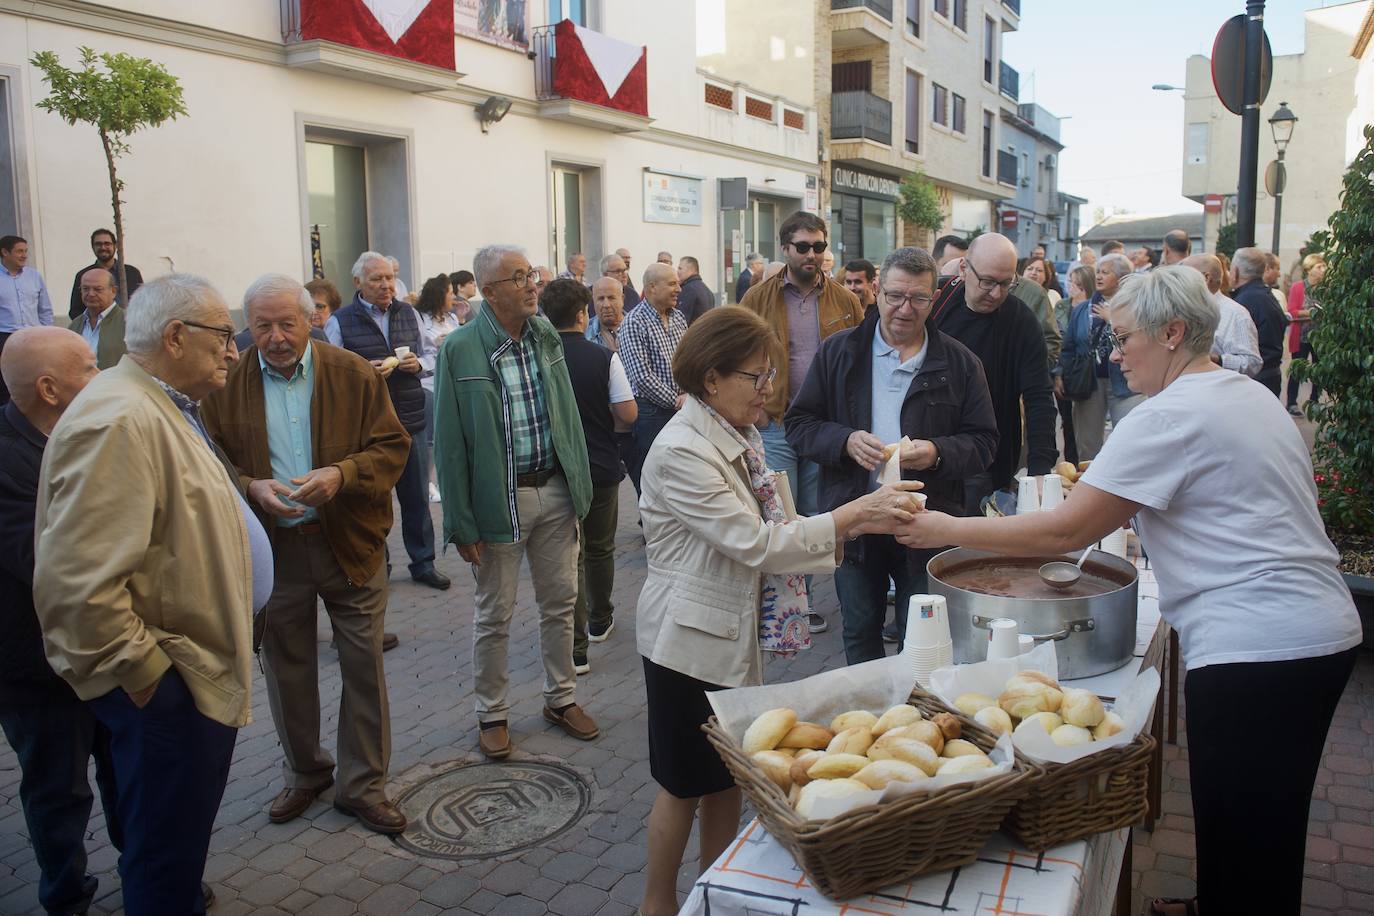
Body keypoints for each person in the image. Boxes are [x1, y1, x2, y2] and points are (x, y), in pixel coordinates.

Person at [896, 265, 1361, 916]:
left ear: (1173, 333)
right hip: (1318, 629)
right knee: (1260, 819)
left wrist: (945, 529)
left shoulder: (1167, 415)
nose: (1111, 354)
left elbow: (1065, 531)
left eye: (1122, 338)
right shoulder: (1246, 392)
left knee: (1248, 824)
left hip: (1257, 647)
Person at [636, 305, 922, 916]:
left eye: (770, 376)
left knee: (728, 778)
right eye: (757, 377)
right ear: (712, 379)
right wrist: (853, 517)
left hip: (730, 635)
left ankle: (715, 894)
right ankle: (656, 905)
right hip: (688, 643)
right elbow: (757, 543)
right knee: (682, 784)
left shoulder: (739, 436)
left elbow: (783, 524)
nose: (769, 389)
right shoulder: (682, 450)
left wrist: (856, 517)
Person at [34, 274, 273, 916]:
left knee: (175, 842)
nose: (233, 350)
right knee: (164, 855)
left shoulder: (154, 402)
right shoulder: (120, 417)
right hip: (167, 688)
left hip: (183, 677)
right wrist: (148, 680)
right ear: (175, 337)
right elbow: (78, 588)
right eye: (224, 336)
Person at [202, 274, 410, 834]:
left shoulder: (352, 372)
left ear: (310, 320)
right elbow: (208, 460)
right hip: (275, 551)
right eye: (261, 325)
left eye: (286, 323)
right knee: (286, 669)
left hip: (351, 543)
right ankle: (306, 772)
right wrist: (250, 487)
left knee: (363, 666)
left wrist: (342, 474)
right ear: (247, 327)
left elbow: (393, 447)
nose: (274, 337)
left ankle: (363, 785)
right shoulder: (225, 384)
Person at [786, 248, 997, 664]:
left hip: (926, 522)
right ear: (878, 293)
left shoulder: (960, 363)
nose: (905, 308)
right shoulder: (839, 353)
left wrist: (937, 452)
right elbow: (800, 425)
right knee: (859, 629)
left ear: (933, 300)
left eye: (918, 298)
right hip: (856, 518)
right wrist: (844, 441)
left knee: (922, 637)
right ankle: (866, 717)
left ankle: (913, 717)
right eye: (896, 295)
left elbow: (985, 442)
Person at [433, 245, 598, 759]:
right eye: (519, 277)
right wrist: (461, 521)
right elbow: (449, 440)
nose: (533, 285)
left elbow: (566, 415)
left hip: (555, 490)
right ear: (489, 291)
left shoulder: (545, 336)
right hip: (498, 502)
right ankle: (493, 712)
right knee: (494, 613)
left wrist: (579, 485)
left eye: (532, 275)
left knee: (561, 604)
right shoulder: (460, 349)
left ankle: (560, 698)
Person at [0, 327, 112, 916]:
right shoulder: (5, 456)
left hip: (106, 652)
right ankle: (67, 899)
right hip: (39, 672)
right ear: (49, 387)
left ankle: (149, 878)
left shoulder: (82, 432)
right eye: (90, 367)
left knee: (126, 780)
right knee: (57, 793)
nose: (100, 379)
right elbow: (43, 559)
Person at [740, 211, 864, 634]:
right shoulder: (757, 299)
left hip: (824, 426)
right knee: (779, 516)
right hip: (775, 422)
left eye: (819, 247)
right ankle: (779, 604)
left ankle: (803, 603)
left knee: (813, 514)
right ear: (785, 249)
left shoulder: (845, 301)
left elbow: (861, 359)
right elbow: (737, 353)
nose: (813, 255)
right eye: (804, 247)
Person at [326, 251, 449, 590]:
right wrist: (365, 372)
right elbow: (331, 372)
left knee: (416, 499)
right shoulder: (340, 320)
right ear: (358, 283)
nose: (385, 285)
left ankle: (423, 563)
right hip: (368, 426)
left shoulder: (408, 312)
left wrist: (417, 366)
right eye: (376, 279)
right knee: (372, 501)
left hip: (409, 419)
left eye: (389, 278)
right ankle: (379, 565)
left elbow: (429, 354)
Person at [541, 280, 637, 675]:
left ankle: (575, 650)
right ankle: (600, 620)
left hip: (552, 470)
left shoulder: (537, 359)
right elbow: (628, 414)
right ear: (584, 314)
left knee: (568, 558)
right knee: (599, 547)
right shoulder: (603, 357)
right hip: (599, 465)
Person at [931, 233, 1056, 514]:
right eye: (987, 282)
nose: (997, 293)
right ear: (964, 269)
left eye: (1006, 283)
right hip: (927, 449)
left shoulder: (1021, 321)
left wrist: (1040, 469)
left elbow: (1039, 397)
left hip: (985, 459)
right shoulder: (934, 302)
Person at [1054, 253, 1143, 461]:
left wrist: (1112, 319)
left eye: (1106, 272)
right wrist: (1059, 373)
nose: (1099, 277)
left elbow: (1140, 339)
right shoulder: (1083, 309)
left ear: (1122, 277)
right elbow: (1069, 347)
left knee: (1127, 438)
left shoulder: (1134, 307)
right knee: (1087, 442)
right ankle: (1089, 484)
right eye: (1098, 272)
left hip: (1125, 381)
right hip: (1089, 381)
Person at [619, 261, 687, 494]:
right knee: (654, 477)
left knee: (682, 474)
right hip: (652, 414)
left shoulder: (678, 317)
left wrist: (688, 394)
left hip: (682, 408)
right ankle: (655, 528)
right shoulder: (633, 322)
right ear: (651, 288)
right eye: (671, 284)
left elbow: (688, 359)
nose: (678, 288)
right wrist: (676, 400)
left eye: (678, 283)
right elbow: (641, 376)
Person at [415, 274, 461, 501]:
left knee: (449, 434)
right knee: (431, 437)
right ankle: (428, 482)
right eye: (449, 292)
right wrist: (436, 343)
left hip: (451, 380)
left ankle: (443, 480)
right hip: (429, 382)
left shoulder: (451, 319)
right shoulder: (420, 319)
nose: (452, 296)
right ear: (438, 294)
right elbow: (418, 349)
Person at [1179, 254, 1261, 378]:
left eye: (1183, 277)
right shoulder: (1180, 309)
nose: (1178, 283)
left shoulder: (1234, 314)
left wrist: (1216, 360)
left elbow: (1252, 363)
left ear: (1205, 278)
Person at [0, 235, 54, 404]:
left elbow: (45, 309)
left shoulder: (34, 276)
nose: (24, 255)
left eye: (26, 251)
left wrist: (46, 333)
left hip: (33, 337)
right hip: (4, 337)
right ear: (4, 252)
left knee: (35, 379)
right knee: (6, 384)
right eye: (19, 251)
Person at [1229, 247, 1286, 397]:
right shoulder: (1268, 296)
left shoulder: (1242, 302)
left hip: (1254, 380)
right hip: (1270, 376)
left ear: (1234, 272)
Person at [1055, 266, 1095, 464]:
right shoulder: (1062, 306)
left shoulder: (1093, 309)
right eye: (1069, 281)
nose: (1070, 286)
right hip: (1065, 366)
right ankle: (1071, 464)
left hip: (1085, 371)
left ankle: (1082, 464)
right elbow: (1060, 339)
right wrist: (1058, 373)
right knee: (1067, 422)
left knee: (1084, 423)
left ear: (1084, 286)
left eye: (1075, 283)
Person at [67, 228, 143, 319]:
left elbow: (142, 304)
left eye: (107, 244)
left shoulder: (132, 273)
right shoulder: (84, 275)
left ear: (115, 246)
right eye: (98, 244)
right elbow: (75, 310)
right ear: (93, 247)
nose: (103, 247)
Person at [1285, 252, 1326, 416]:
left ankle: (1315, 401)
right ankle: (1291, 403)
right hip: (1301, 336)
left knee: (1318, 370)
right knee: (1297, 370)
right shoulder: (1298, 287)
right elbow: (1292, 311)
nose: (1323, 269)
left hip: (1320, 337)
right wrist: (1309, 313)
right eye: (1319, 266)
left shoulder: (1326, 288)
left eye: (1323, 266)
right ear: (1309, 269)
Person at [70, 267, 127, 369]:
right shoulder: (74, 326)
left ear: (113, 291)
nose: (91, 294)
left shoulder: (130, 322)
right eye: (85, 289)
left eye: (98, 289)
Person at [586, 275, 625, 351]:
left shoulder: (638, 328)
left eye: (611, 298)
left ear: (622, 299)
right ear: (593, 301)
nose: (606, 305)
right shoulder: (585, 333)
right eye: (601, 299)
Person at [675, 256, 715, 326]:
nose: (677, 271)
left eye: (680, 268)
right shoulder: (708, 291)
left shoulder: (688, 290)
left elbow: (680, 322)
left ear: (691, 270)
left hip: (692, 334)